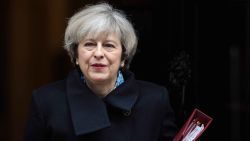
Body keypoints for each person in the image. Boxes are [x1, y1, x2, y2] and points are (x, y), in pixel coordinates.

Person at [24, 2, 177, 141]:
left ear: (123, 57)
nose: (98, 53)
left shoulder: (155, 100)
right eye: (89, 44)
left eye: (109, 45)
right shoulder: (45, 102)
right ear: (76, 55)